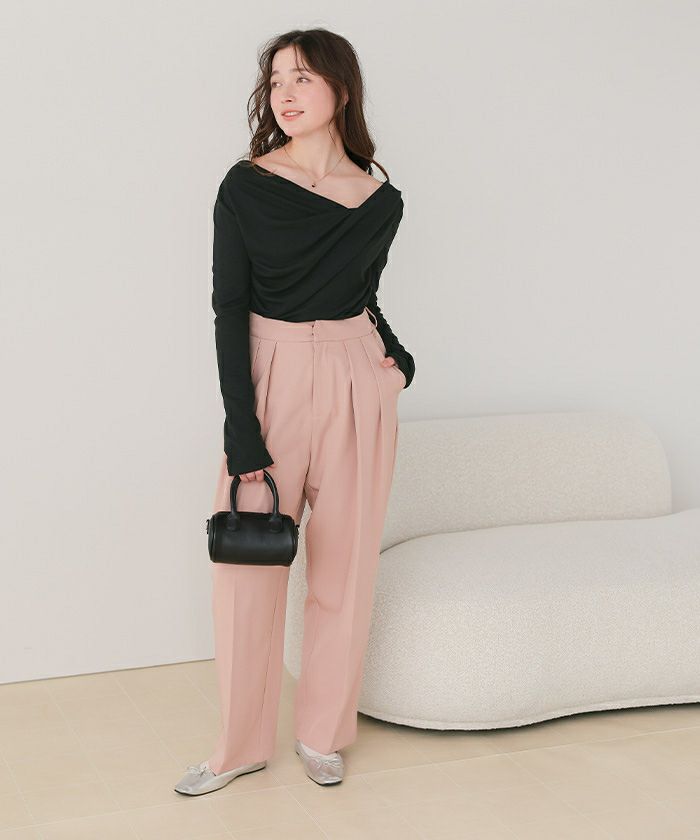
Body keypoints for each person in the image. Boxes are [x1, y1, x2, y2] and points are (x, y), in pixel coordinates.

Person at [175, 27, 415, 796]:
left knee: (346, 570)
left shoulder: (380, 200)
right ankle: (240, 745)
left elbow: (363, 294)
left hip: (356, 378)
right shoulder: (245, 187)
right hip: (270, 372)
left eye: (303, 77)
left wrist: (397, 359)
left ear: (341, 89)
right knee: (247, 572)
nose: (284, 92)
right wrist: (241, 430)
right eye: (276, 79)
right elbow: (229, 308)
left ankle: (322, 734)